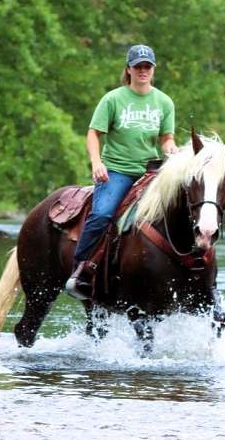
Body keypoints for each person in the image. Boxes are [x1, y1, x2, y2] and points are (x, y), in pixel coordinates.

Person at [65, 44, 178, 300]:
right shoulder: (113, 99)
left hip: (150, 172)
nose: (142, 71)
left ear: (153, 70)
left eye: (147, 66)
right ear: (128, 69)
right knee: (103, 214)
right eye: (138, 66)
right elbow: (94, 133)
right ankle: (80, 271)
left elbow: (166, 138)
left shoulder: (164, 102)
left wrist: (172, 150)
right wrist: (97, 163)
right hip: (117, 170)